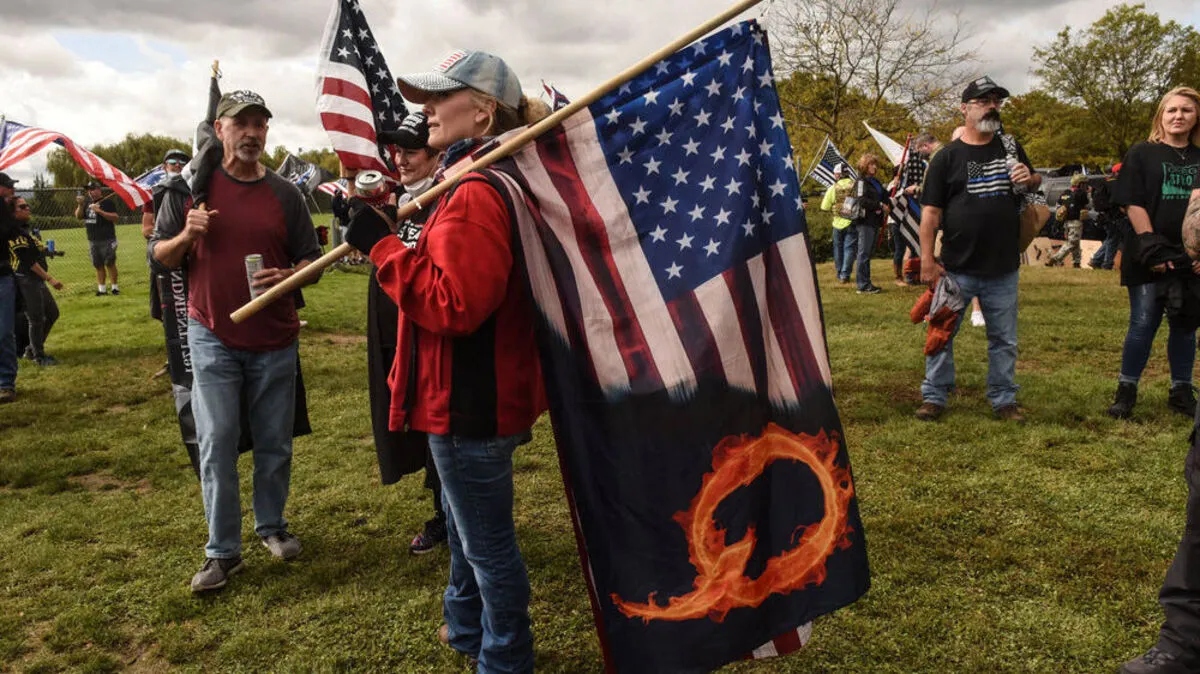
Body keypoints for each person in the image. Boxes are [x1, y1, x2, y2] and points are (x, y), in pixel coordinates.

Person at [344, 49, 548, 673]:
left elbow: (454, 304)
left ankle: (505, 659)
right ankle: (464, 627)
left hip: (468, 402)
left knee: (487, 546)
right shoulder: (472, 180)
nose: (426, 109)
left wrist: (383, 248)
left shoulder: (474, 193)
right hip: (470, 396)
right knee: (464, 529)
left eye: (440, 97)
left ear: (483, 112)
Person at [150, 89, 322, 593]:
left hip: (275, 337)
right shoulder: (190, 189)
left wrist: (290, 275)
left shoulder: (285, 194)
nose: (251, 133)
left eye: (259, 124)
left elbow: (312, 261)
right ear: (219, 129)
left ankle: (272, 525)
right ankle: (222, 552)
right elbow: (160, 256)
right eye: (240, 123)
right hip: (212, 335)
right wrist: (187, 236)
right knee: (217, 440)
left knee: (274, 441)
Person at [915, 76, 1040, 422]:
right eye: (983, 101)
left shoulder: (1010, 147)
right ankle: (934, 396)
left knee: (1004, 340)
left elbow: (1035, 182)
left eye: (997, 102)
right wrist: (927, 259)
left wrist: (1030, 178)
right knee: (941, 333)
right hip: (956, 267)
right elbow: (930, 213)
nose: (992, 107)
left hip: (1003, 266)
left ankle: (1003, 399)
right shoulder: (946, 157)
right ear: (964, 109)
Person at [355, 110, 450, 555]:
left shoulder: (445, 198)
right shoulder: (406, 200)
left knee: (442, 435)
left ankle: (451, 518)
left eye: (412, 151)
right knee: (420, 431)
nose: (401, 159)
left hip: (433, 339)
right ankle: (445, 513)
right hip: (399, 336)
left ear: (437, 155)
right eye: (397, 150)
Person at [1106, 87, 1200, 422]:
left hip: (1190, 257)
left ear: (1196, 117)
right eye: (1172, 110)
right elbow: (1132, 202)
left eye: (1186, 110)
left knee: (1185, 325)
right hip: (1148, 254)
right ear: (1161, 115)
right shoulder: (1142, 153)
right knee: (1144, 322)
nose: (1178, 116)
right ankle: (1126, 391)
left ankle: (1181, 391)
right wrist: (1153, 248)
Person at [144, 149, 190, 377]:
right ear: (164, 166)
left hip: (189, 262)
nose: (177, 165)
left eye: (182, 162)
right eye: (172, 161)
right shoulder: (156, 194)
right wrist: (167, 231)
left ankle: (189, 356)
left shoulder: (193, 189)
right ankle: (173, 358)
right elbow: (146, 229)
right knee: (167, 311)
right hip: (165, 260)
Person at [8, 197, 62, 366]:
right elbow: (27, 261)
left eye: (27, 205)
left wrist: (49, 250)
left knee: (52, 313)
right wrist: (50, 279)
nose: (28, 208)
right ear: (13, 212)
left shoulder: (24, 230)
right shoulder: (13, 232)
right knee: (36, 318)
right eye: (23, 206)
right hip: (26, 280)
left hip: (36, 280)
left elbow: (37, 246)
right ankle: (38, 356)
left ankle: (32, 349)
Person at [75, 180, 120, 296]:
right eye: (88, 190)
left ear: (99, 190)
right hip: (93, 240)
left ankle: (115, 288)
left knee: (110, 263)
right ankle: (102, 290)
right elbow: (79, 216)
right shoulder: (86, 203)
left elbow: (115, 218)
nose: (90, 192)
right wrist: (80, 205)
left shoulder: (107, 202)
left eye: (92, 189)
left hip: (107, 238)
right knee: (98, 265)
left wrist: (99, 211)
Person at [852, 152, 888, 295]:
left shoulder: (876, 181)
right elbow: (861, 200)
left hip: (874, 221)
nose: (874, 167)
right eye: (871, 164)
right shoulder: (861, 182)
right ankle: (862, 285)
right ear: (865, 166)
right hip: (864, 221)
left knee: (868, 252)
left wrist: (895, 186)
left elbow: (885, 195)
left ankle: (866, 282)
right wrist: (879, 205)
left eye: (875, 164)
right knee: (864, 253)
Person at [0, 172, 19, 403]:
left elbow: (12, 233)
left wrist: (8, 209)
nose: (12, 190)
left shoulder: (4, 208)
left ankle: (6, 383)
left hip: (2, 275)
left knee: (4, 331)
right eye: (8, 186)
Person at [820, 164, 856, 282]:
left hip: (837, 223)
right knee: (849, 248)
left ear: (838, 175)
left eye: (835, 174)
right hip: (852, 221)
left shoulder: (832, 188)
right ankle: (845, 275)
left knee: (838, 249)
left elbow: (824, 207)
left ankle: (840, 273)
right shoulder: (856, 186)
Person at [1045, 173, 1090, 267]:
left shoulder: (1065, 193)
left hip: (1066, 222)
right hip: (1075, 222)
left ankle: (1076, 262)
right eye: (1084, 184)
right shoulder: (1081, 193)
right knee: (1072, 243)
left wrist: (1057, 223)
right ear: (1080, 184)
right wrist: (1087, 192)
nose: (1086, 186)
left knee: (1076, 243)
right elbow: (1086, 201)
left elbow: (1059, 207)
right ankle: (1055, 258)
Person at [1089, 163, 1124, 270]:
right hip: (1113, 216)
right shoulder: (1116, 184)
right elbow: (1118, 200)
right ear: (1117, 172)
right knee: (1113, 239)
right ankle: (1107, 264)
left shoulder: (1105, 182)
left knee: (1111, 238)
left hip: (1104, 216)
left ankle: (1096, 260)